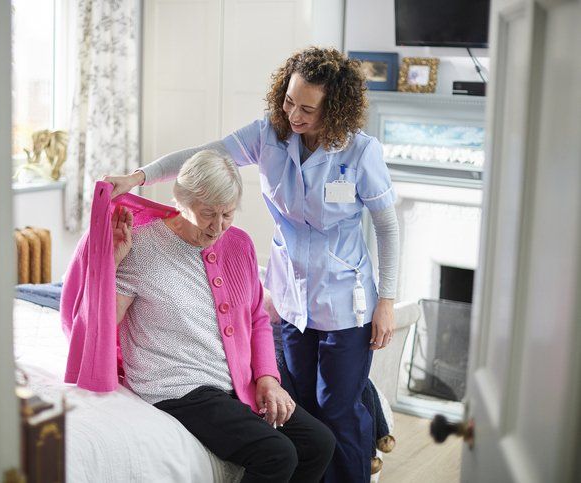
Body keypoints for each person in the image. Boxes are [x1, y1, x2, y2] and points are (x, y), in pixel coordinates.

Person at [106, 46, 399, 483]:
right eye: (288, 101)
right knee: (307, 402)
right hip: (291, 297)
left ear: (333, 109)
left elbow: (388, 229)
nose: (293, 115)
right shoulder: (269, 136)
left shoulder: (360, 154)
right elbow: (197, 157)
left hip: (345, 300)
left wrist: (387, 301)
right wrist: (138, 178)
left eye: (307, 109)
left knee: (338, 408)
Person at [112, 149, 335, 483]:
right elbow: (102, 324)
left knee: (319, 443)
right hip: (176, 387)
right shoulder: (141, 248)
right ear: (180, 199)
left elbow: (257, 318)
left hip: (231, 382)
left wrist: (268, 379)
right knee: (277, 454)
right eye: (207, 214)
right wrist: (112, 264)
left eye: (227, 214)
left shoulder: (239, 244)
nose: (217, 227)